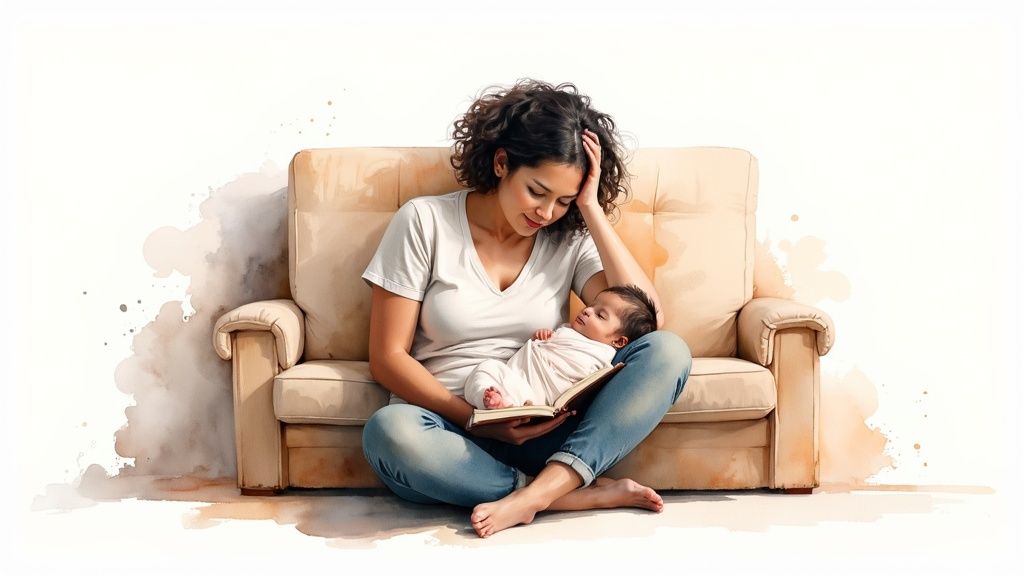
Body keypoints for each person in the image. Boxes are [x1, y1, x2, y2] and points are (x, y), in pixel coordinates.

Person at [361, 79, 692, 538]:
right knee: (389, 432)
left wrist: (590, 209)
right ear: (502, 163)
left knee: (667, 350)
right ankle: (562, 494)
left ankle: (539, 493)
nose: (546, 213)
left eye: (563, 200)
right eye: (537, 191)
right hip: (450, 434)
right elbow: (388, 357)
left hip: (547, 431)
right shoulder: (425, 221)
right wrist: (476, 419)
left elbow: (648, 317)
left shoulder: (568, 239)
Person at [465, 284, 658, 410]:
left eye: (600, 315)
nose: (588, 311)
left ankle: (508, 405)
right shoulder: (567, 330)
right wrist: (544, 337)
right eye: (591, 305)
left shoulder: (601, 354)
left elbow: (585, 380)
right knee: (487, 368)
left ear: (618, 341)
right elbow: (548, 346)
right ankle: (491, 398)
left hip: (541, 396)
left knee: (496, 376)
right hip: (516, 378)